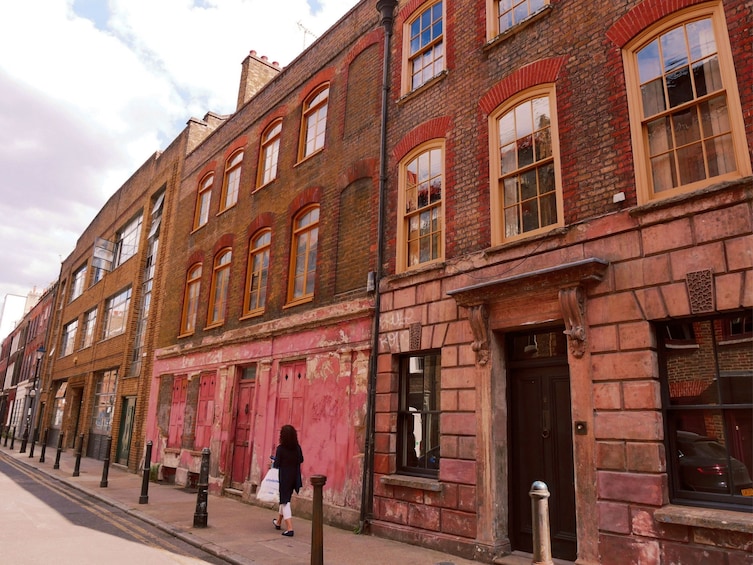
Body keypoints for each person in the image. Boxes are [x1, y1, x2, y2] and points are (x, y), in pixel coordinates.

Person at [272, 424, 303, 537]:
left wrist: (273, 462)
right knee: (285, 498)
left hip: (284, 477)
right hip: (294, 476)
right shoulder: (297, 448)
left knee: (285, 502)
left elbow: (277, 464)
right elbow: (301, 459)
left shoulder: (280, 449)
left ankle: (290, 528)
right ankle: (278, 522)